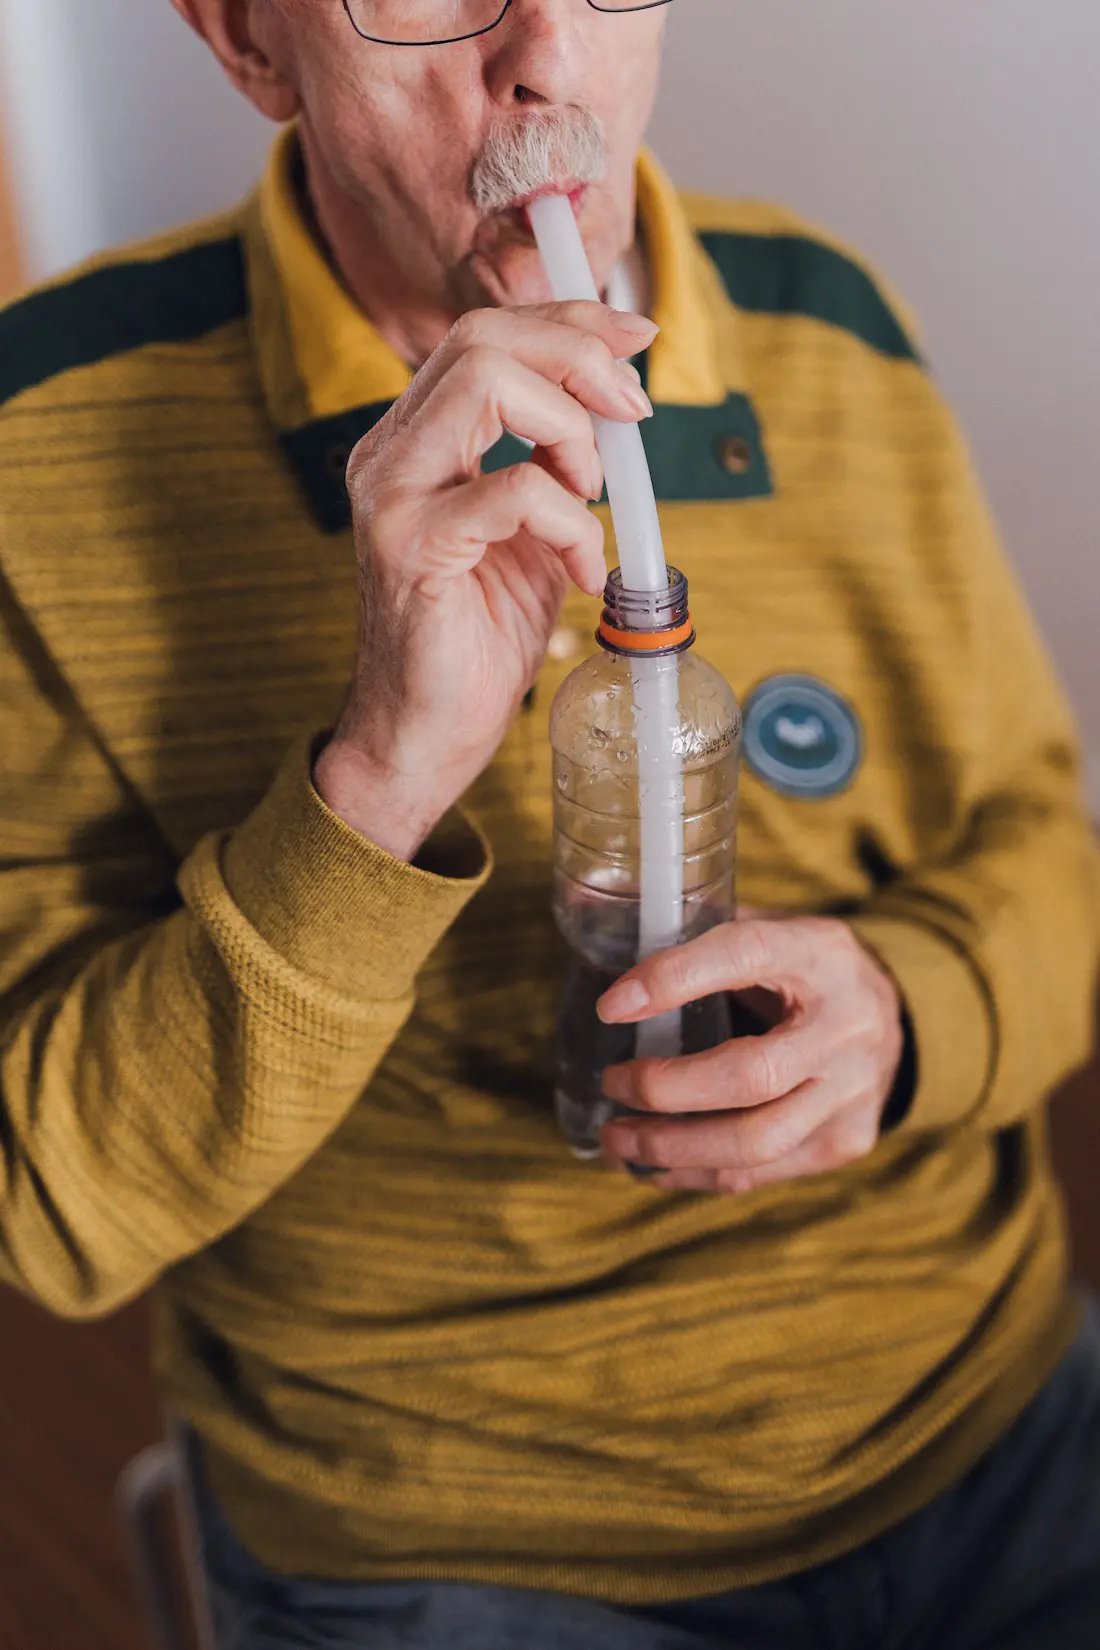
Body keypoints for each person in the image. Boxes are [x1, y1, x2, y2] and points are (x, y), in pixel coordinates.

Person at [1, 1, 1098, 1645]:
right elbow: (53, 1206)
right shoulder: (40, 441)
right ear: (247, 42)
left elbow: (1046, 846)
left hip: (979, 1416)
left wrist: (908, 1014)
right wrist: (374, 777)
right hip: (466, 1528)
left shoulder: (827, 326)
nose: (549, 56)